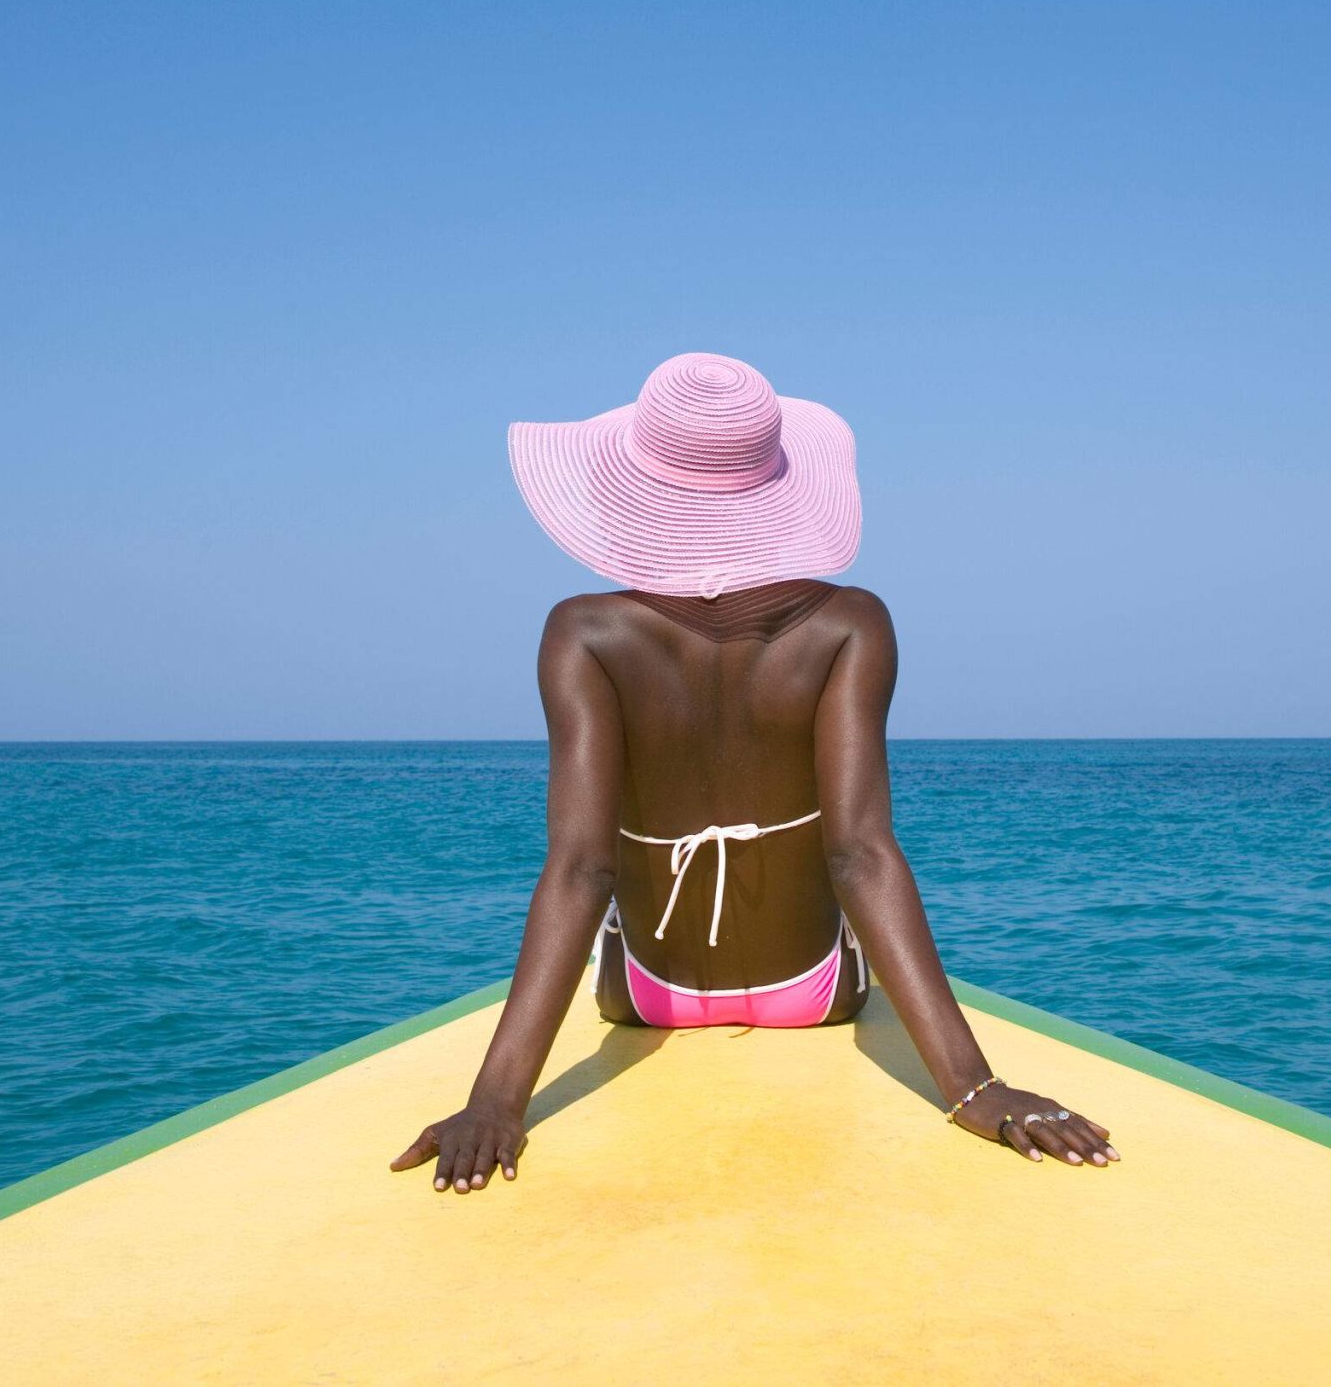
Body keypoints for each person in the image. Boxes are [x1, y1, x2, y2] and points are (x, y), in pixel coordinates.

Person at [392, 352, 1116, 1192]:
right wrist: (974, 1087)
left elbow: (580, 868)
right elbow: (861, 854)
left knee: (607, 900)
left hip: (645, 993)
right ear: (777, 494)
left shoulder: (583, 634)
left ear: (634, 496)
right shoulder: (851, 624)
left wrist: (495, 1102)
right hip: (813, 991)